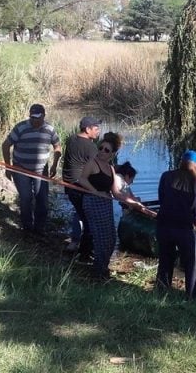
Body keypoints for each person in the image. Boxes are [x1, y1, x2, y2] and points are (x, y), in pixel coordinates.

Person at [1, 103, 61, 238]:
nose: (35, 120)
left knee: (42, 200)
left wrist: (54, 165)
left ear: (44, 116)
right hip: (21, 168)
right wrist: (8, 167)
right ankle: (27, 228)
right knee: (26, 198)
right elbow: (6, 146)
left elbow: (57, 147)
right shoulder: (21, 128)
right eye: (33, 117)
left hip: (41, 170)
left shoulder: (49, 129)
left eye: (38, 118)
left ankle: (39, 228)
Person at [77, 132, 128, 280]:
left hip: (105, 204)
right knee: (100, 238)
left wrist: (131, 202)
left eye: (106, 150)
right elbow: (82, 180)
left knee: (111, 238)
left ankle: (103, 267)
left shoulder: (111, 168)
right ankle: (98, 272)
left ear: (112, 154)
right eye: (101, 148)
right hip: (92, 202)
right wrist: (96, 192)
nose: (101, 152)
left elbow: (116, 191)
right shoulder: (92, 163)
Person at [155, 150, 196, 299]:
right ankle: (192, 296)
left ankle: (161, 291)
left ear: (182, 161)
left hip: (164, 224)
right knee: (190, 264)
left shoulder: (166, 176)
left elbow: (161, 199)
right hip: (184, 228)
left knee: (165, 260)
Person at [61, 116, 101, 261]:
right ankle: (85, 254)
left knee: (79, 213)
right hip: (80, 187)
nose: (98, 132)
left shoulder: (71, 139)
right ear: (87, 129)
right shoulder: (90, 147)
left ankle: (74, 241)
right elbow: (99, 167)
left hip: (69, 185)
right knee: (90, 220)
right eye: (96, 129)